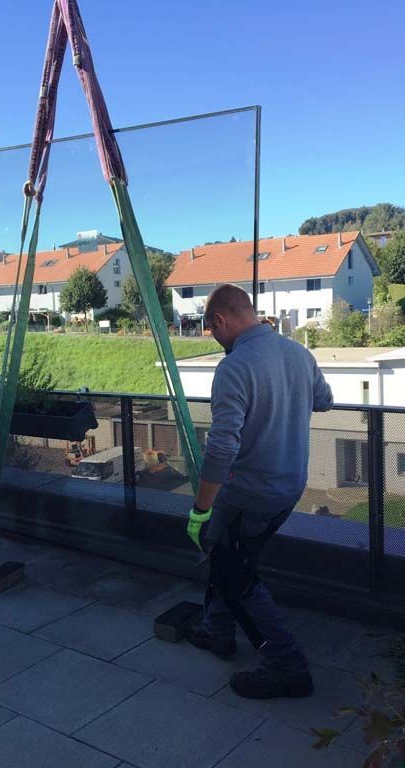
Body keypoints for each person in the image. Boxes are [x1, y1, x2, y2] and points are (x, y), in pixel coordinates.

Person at [186, 284, 333, 699]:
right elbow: (324, 400)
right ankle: (217, 630)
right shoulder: (299, 354)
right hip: (289, 487)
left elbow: (222, 446)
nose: (215, 341)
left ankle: (286, 665)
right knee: (227, 554)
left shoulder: (233, 367)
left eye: (212, 332)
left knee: (236, 574)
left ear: (221, 321)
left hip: (251, 492)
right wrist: (285, 395)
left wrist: (201, 509)